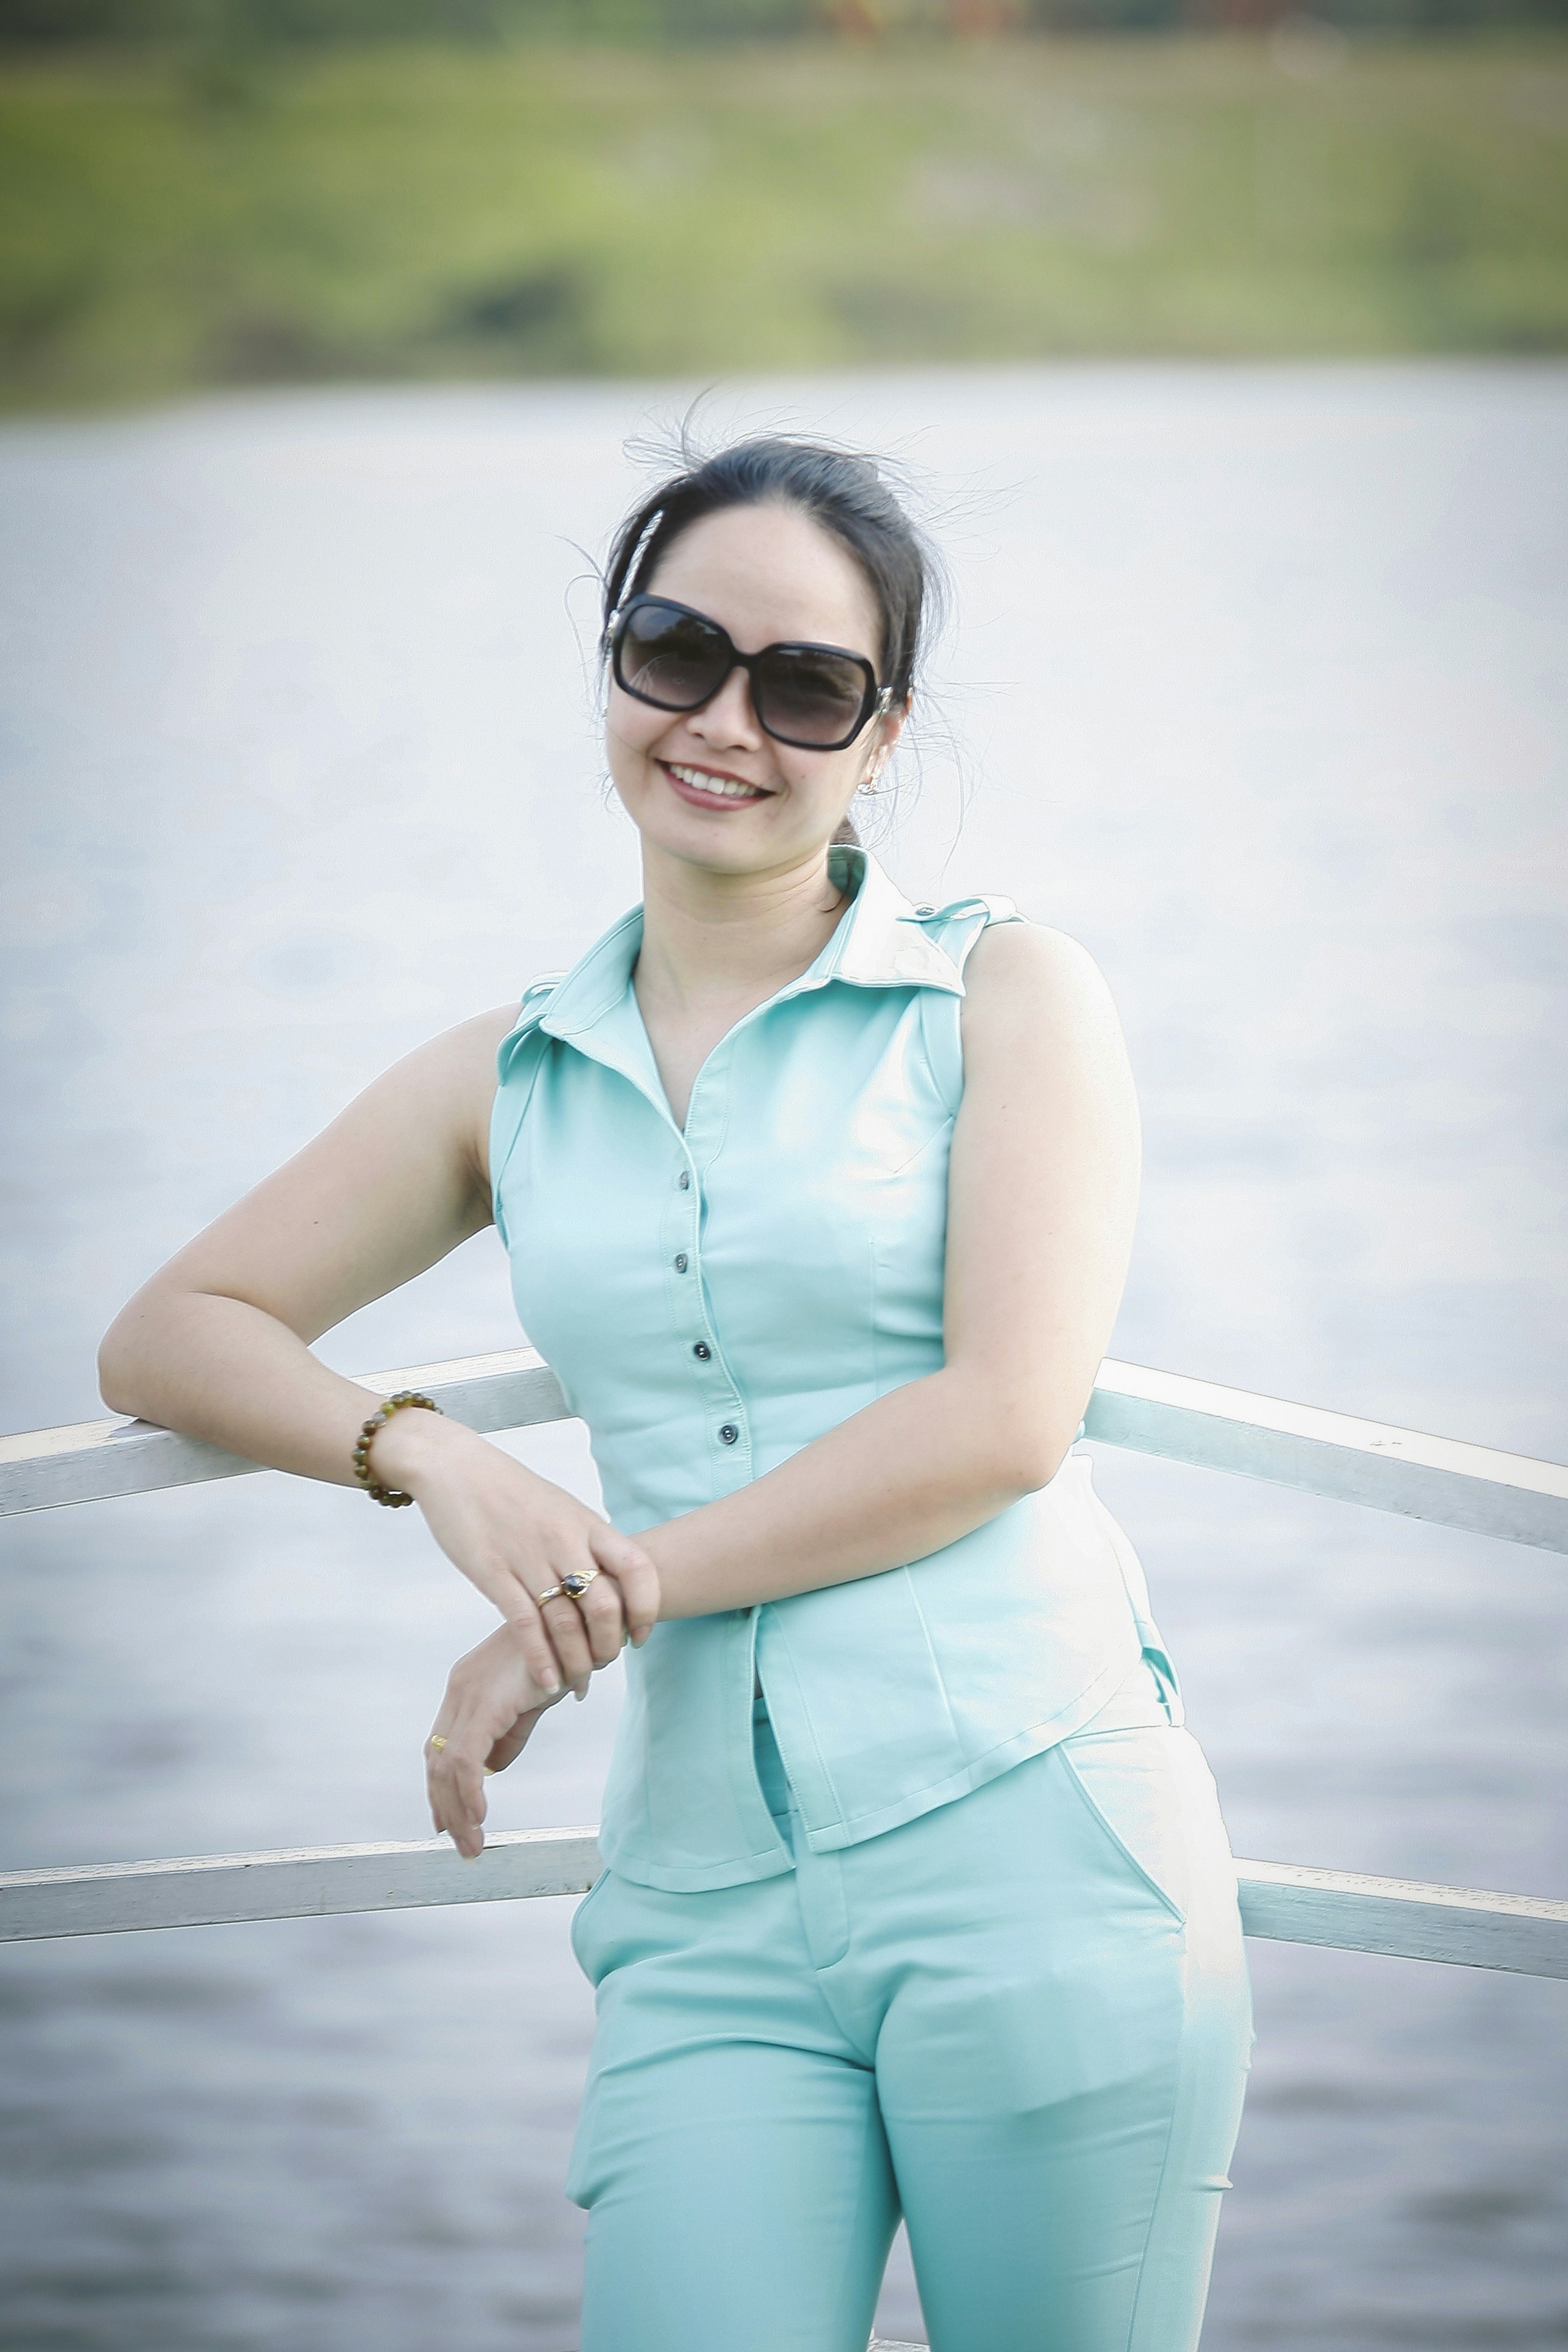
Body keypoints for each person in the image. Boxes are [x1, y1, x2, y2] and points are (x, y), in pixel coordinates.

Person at [100, 435, 1252, 2352]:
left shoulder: (1008, 998)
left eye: (806, 687)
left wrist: (571, 1616)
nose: (727, 722)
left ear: (882, 737)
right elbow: (172, 1332)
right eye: (675, 650)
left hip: (1038, 1844)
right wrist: (430, 1458)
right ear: (616, 668)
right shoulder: (512, 1074)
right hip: (708, 1905)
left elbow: (1001, 1422)